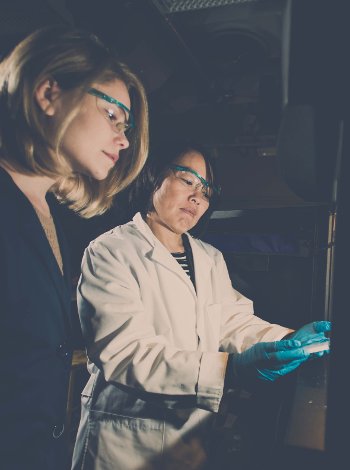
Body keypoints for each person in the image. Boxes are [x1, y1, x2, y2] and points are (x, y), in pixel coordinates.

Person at [72, 142, 330, 470]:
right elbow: (126, 354)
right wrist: (228, 369)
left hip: (190, 443)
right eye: (187, 180)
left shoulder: (208, 258)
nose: (197, 197)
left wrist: (289, 341)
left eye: (206, 190)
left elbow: (233, 323)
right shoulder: (111, 252)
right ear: (153, 178)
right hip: (124, 443)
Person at [0, 24, 148, 470]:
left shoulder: (48, 214)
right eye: (113, 115)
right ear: (49, 94)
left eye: (127, 125)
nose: (123, 139)